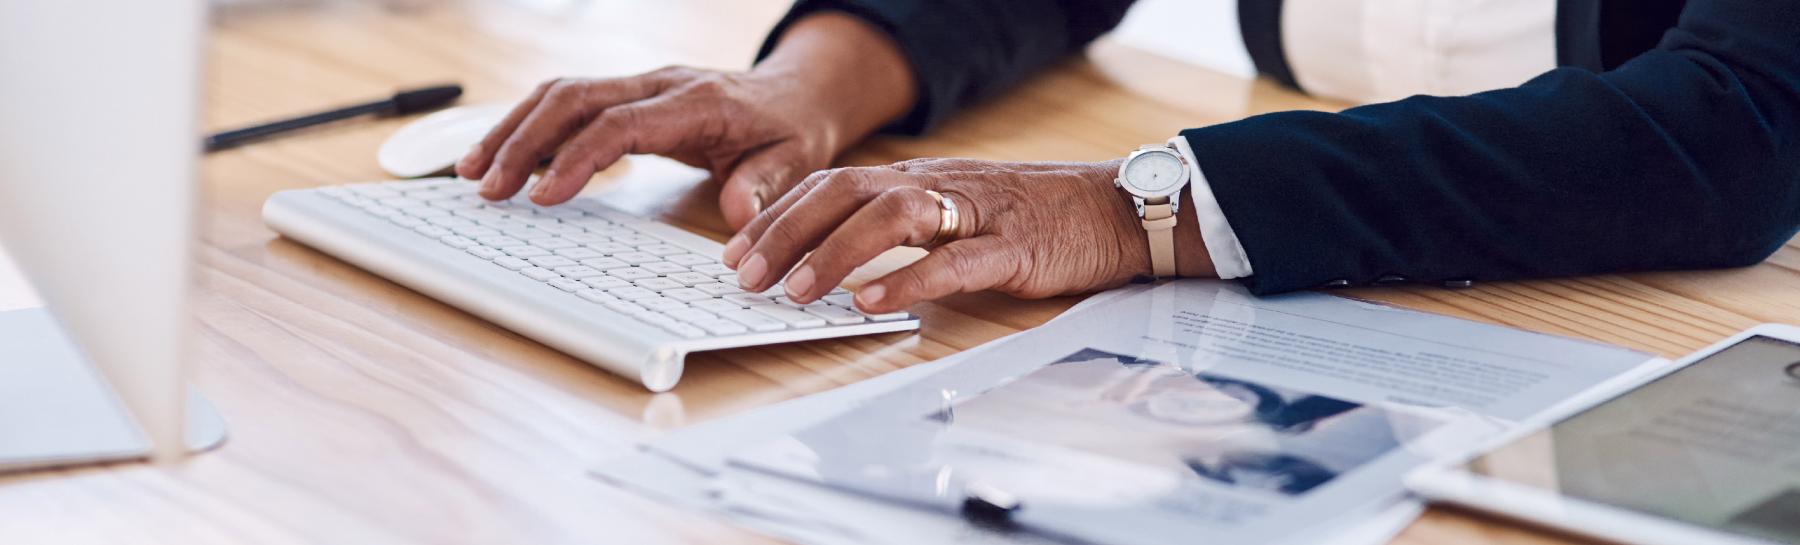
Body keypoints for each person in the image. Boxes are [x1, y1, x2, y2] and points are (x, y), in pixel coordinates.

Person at [455, 1, 1800, 317]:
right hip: (1358, 299)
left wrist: (1136, 206)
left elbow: (1736, 125)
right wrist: (805, 88)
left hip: (1679, 320)